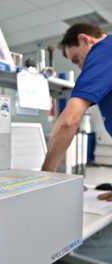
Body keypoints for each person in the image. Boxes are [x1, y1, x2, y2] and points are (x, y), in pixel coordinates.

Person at [41, 23, 112, 201]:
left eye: (76, 59)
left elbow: (69, 121)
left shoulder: (103, 49)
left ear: (84, 39)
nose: (80, 67)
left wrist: (44, 178)